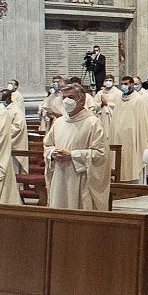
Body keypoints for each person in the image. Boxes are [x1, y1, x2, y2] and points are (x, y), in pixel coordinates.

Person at [44, 82, 110, 210]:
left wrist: (73, 155)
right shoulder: (59, 122)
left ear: (82, 100)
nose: (66, 101)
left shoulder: (93, 123)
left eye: (71, 97)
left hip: (81, 178)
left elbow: (100, 154)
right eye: (64, 98)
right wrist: (52, 153)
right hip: (59, 177)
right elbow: (48, 145)